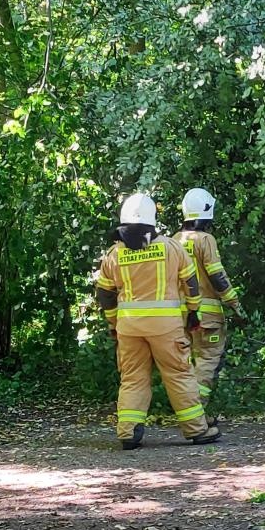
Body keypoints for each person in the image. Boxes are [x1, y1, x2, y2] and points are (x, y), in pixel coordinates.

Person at [93, 193, 222, 450]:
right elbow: (191, 282)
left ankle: (128, 432)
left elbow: (105, 295)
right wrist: (193, 312)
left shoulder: (113, 254)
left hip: (129, 328)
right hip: (166, 327)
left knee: (132, 378)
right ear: (153, 220)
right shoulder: (170, 248)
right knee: (178, 374)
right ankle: (197, 430)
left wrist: (112, 324)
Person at [176, 188, 242, 420]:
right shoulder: (205, 240)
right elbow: (217, 275)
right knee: (206, 362)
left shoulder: (173, 241)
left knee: (186, 364)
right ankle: (196, 414)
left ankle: (188, 411)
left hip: (179, 316)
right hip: (207, 316)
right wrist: (234, 303)